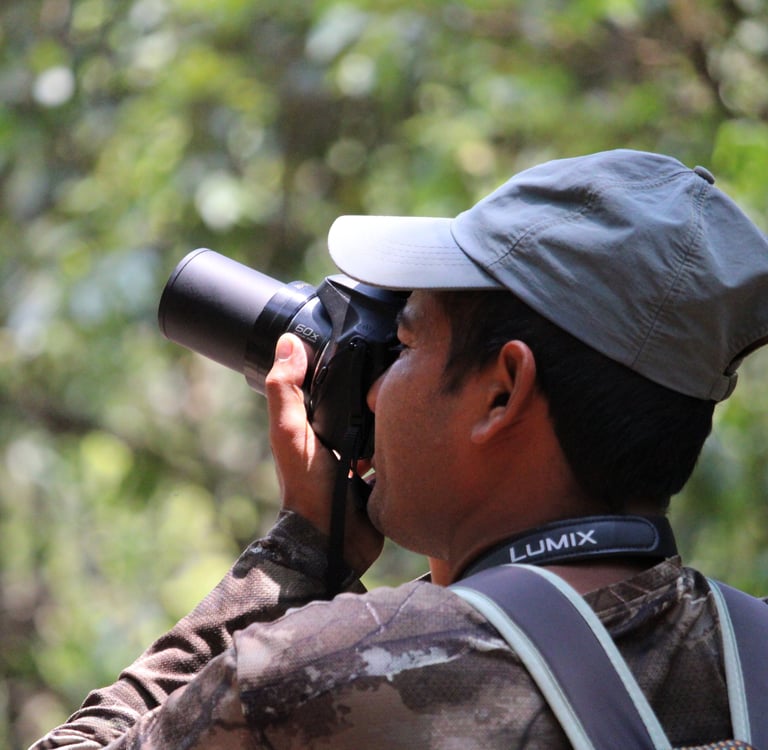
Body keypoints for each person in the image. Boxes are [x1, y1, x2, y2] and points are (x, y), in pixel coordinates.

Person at [30, 149, 768, 750]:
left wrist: (300, 551)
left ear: (503, 391)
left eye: (405, 344)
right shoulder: (753, 655)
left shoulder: (322, 679)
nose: (377, 392)